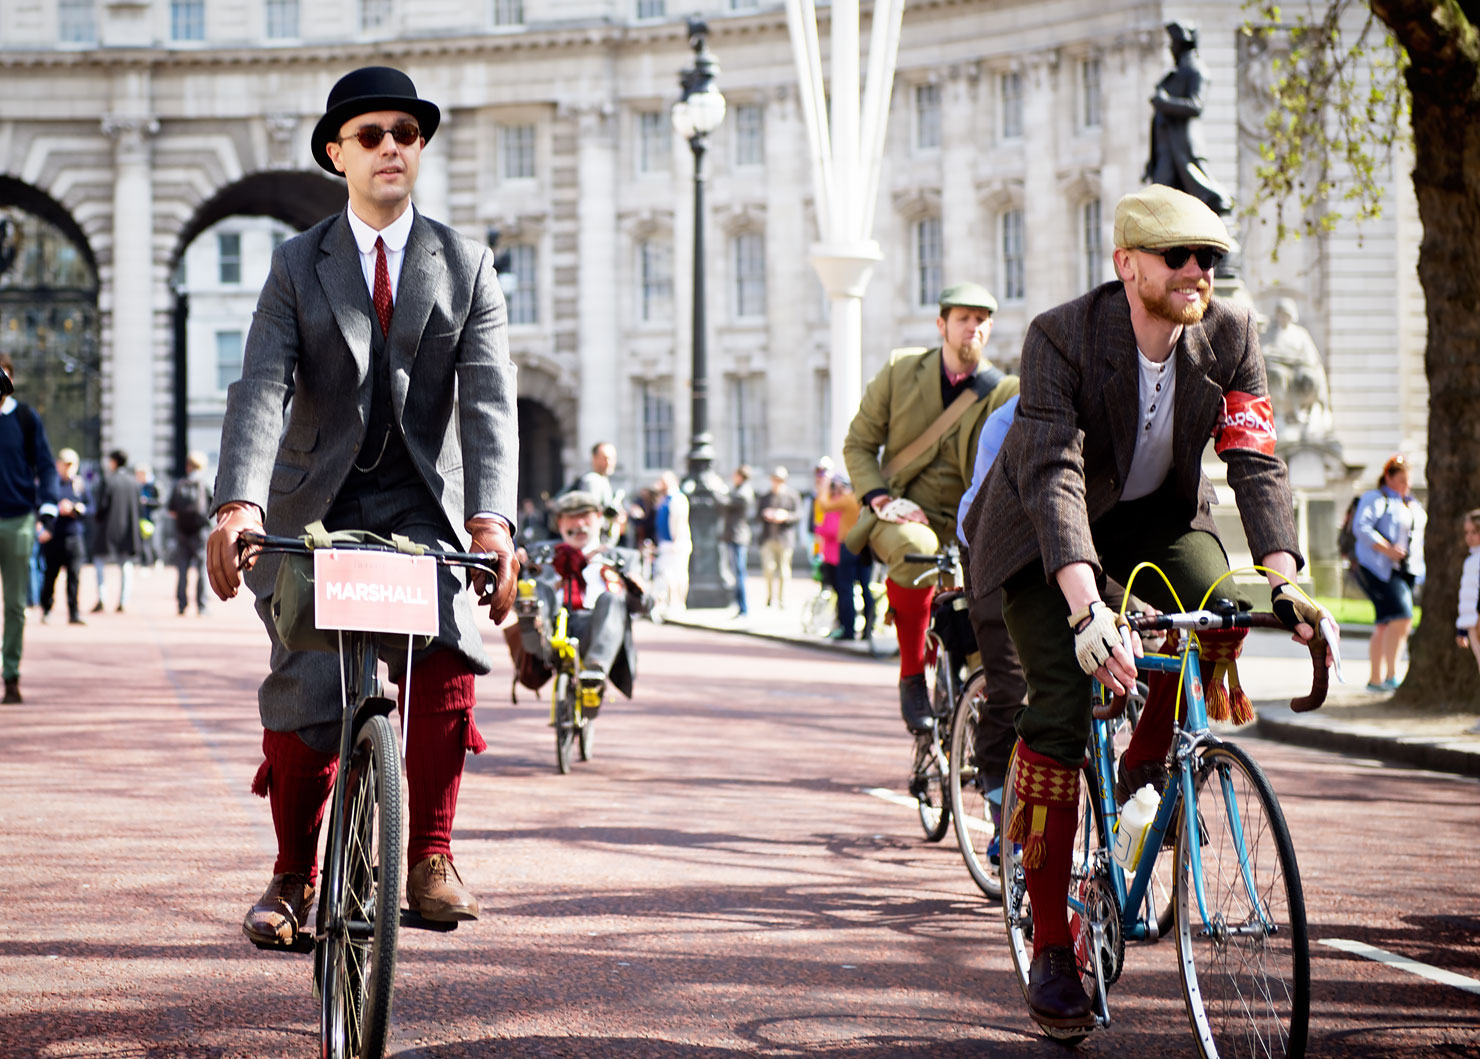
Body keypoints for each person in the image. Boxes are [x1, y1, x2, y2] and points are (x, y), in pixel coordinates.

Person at [962, 184, 1329, 1035]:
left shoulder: (1232, 336)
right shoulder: (1062, 334)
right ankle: (1052, 944)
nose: (1199, 271)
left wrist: (1284, 579)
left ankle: (1142, 772)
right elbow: (1053, 471)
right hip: (1039, 538)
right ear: (1128, 265)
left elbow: (1255, 456)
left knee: (1223, 610)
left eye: (1211, 258)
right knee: (1057, 705)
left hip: (1158, 523)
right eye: (1179, 256)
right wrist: (1089, 610)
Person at [204, 65, 520, 944]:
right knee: (310, 677)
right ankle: (292, 878)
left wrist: (494, 520)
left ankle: (430, 855)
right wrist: (238, 504)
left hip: (422, 504)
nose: (392, 147)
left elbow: (490, 404)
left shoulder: (465, 264)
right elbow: (261, 388)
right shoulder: (296, 265)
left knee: (450, 650)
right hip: (313, 505)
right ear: (337, 152)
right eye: (372, 134)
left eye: (407, 135)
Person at [843, 282, 1019, 733]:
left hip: (966, 521)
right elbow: (860, 444)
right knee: (915, 545)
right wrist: (881, 499)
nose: (972, 328)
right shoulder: (901, 371)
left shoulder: (1003, 391)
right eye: (963, 318)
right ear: (941, 324)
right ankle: (911, 676)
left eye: (981, 320)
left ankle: (980, 724)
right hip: (900, 511)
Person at [515, 490, 648, 698]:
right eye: (571, 518)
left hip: (596, 630)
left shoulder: (623, 558)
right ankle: (534, 636)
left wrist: (637, 588)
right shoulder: (540, 553)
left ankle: (595, 669)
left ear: (599, 518)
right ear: (560, 522)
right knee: (537, 589)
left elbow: (644, 606)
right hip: (550, 625)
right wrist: (518, 566)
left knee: (612, 599)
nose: (579, 525)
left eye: (585, 517)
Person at [0, 353, 59, 703]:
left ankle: (10, 674)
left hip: (18, 519)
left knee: (15, 604)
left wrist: (47, 510)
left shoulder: (24, 418)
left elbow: (46, 466)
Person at [1350, 455, 1426, 691]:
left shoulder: (1410, 503)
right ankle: (1392, 675)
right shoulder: (1375, 498)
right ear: (1389, 478)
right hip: (1381, 569)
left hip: (1407, 570)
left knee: (1385, 623)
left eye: (1409, 480)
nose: (1407, 485)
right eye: (1402, 479)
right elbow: (1361, 527)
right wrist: (1387, 549)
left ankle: (1376, 679)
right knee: (1402, 618)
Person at [1144, 20, 1233, 215]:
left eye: (1174, 43)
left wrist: (1165, 102)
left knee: (1204, 194)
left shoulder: (1197, 70)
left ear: (1182, 44)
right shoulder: (1173, 76)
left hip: (1183, 147)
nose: (1170, 48)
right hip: (1165, 150)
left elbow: (1196, 105)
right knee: (1160, 203)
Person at [818, 475, 875, 641]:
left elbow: (823, 505)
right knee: (866, 588)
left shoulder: (849, 499)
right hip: (866, 546)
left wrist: (825, 485)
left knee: (845, 588)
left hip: (849, 545)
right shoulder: (867, 500)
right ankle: (868, 629)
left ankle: (848, 629)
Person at [40, 447, 89, 627]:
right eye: (65, 464)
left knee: (74, 577)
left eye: (71, 465)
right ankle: (47, 609)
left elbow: (89, 508)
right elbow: (40, 505)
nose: (68, 468)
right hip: (54, 537)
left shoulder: (79, 485)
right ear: (58, 465)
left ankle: (74, 612)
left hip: (74, 537)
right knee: (50, 576)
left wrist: (75, 508)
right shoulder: (50, 484)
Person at [90, 450, 142, 613]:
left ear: (114, 462)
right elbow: (139, 507)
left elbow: (102, 505)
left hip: (108, 528)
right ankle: (123, 600)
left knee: (99, 562)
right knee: (126, 565)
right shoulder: (133, 482)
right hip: (128, 528)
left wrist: (97, 519)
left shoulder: (108, 480)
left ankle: (101, 598)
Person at [168, 450, 213, 616]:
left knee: (182, 569)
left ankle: (181, 604)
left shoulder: (180, 484)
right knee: (201, 569)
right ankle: (201, 606)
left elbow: (171, 509)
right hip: (200, 532)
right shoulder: (205, 483)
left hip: (182, 532)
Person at [756, 467, 801, 607]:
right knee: (768, 569)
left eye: (780, 480)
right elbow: (757, 516)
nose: (777, 482)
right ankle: (770, 597)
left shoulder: (792, 496)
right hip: (768, 538)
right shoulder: (765, 497)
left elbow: (798, 515)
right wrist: (766, 514)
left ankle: (782, 599)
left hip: (784, 539)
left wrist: (785, 516)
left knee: (784, 570)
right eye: (775, 479)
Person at [650, 470, 690, 616]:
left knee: (677, 575)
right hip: (664, 543)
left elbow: (679, 522)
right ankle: (668, 602)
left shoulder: (678, 498)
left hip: (675, 544)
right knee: (665, 575)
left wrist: (677, 541)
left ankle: (678, 603)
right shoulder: (664, 499)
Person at [719, 465, 754, 617]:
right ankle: (739, 606)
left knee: (739, 572)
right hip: (734, 535)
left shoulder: (742, 493)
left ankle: (743, 607)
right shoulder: (739, 490)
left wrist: (716, 489)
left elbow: (725, 502)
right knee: (737, 572)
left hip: (738, 535)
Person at [1457, 509, 1480, 688]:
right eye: (1467, 532)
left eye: (1475, 532)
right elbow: (1468, 596)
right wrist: (1463, 629)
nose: (1469, 537)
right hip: (1472, 622)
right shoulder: (1472, 560)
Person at [136, 464, 161, 567]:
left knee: (154, 542)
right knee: (143, 542)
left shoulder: (155, 485)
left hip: (153, 517)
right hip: (142, 518)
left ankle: (157, 560)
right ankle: (146, 561)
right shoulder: (139, 486)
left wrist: (147, 502)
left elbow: (160, 502)